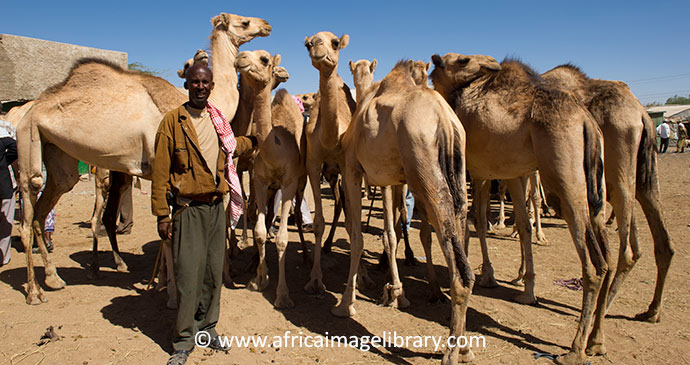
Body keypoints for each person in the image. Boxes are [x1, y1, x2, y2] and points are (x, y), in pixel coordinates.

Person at [151, 63, 255, 365]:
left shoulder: (217, 118)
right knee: (187, 275)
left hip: (214, 209)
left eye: (205, 82)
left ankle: (207, 328)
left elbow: (232, 147)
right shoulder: (172, 122)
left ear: (211, 86)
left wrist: (255, 143)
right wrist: (162, 214)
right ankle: (183, 340)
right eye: (195, 82)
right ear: (187, 84)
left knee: (212, 273)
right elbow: (160, 174)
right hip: (188, 209)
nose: (200, 87)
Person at [0, 117, 17, 267]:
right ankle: (3, 257)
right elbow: (16, 148)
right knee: (6, 220)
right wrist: (5, 162)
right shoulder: (4, 128)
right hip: (4, 181)